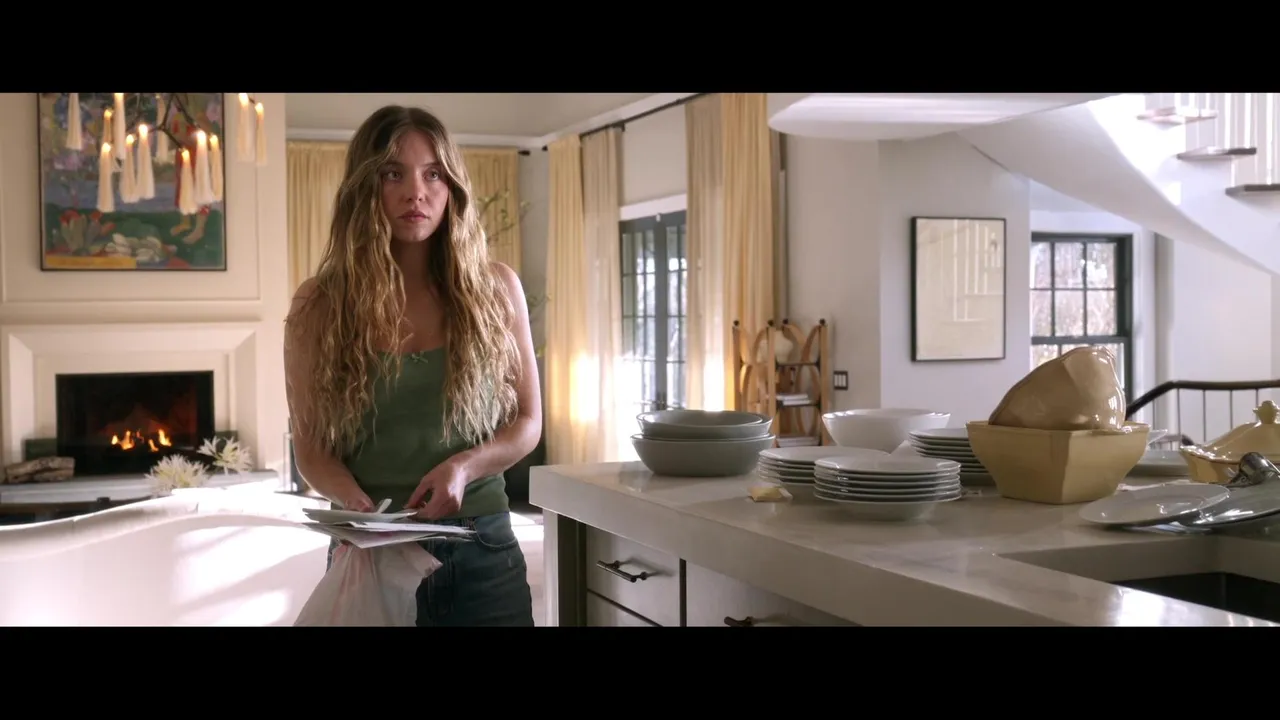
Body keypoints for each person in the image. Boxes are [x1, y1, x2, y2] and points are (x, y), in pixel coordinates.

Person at [284, 105, 542, 627]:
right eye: (392, 174)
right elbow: (310, 449)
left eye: (433, 174)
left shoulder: (497, 289)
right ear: (364, 187)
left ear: (451, 188)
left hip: (483, 552)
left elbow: (527, 422)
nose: (415, 193)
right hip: (370, 556)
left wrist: (464, 467)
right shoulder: (319, 304)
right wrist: (356, 506)